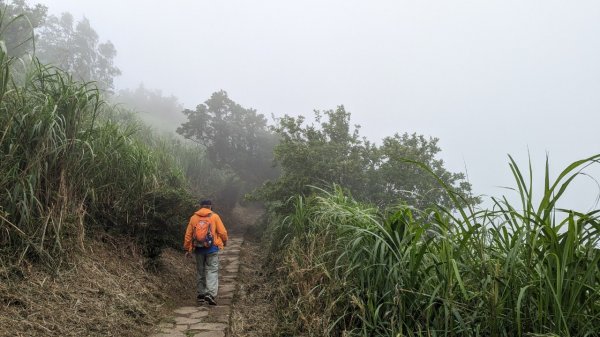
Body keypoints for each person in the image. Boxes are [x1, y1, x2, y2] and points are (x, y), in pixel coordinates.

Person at [184, 199, 228, 305]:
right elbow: (222, 232)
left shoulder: (194, 218)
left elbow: (188, 235)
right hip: (212, 248)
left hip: (199, 249)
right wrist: (224, 241)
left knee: (200, 271)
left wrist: (188, 249)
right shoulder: (214, 217)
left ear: (200, 206)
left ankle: (201, 294)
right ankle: (210, 294)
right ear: (211, 206)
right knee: (212, 271)